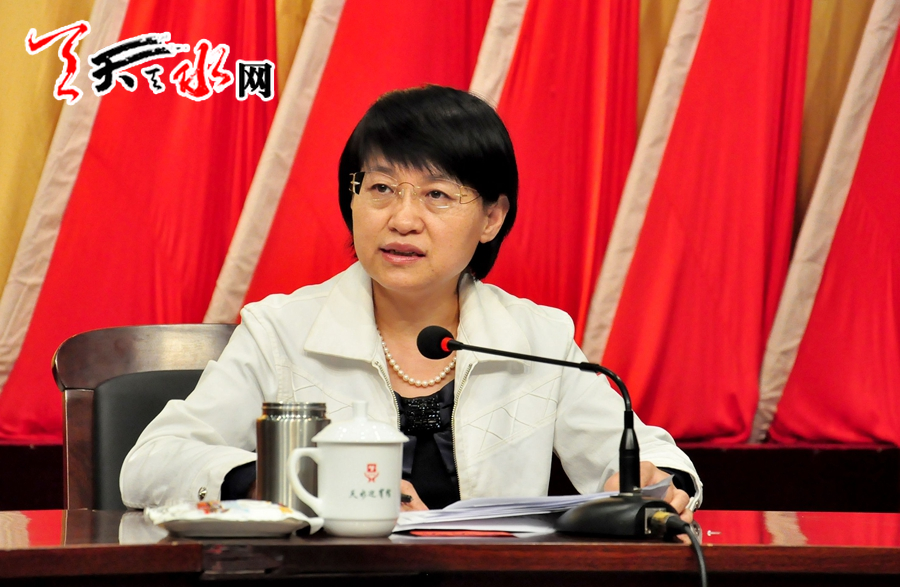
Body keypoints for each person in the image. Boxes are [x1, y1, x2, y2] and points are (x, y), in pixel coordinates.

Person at [120, 86, 702, 521]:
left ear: (492, 218)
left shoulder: (536, 338)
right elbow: (152, 462)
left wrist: (661, 483)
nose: (402, 219)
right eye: (379, 188)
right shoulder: (281, 330)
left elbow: (651, 457)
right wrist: (279, 479)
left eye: (437, 195)